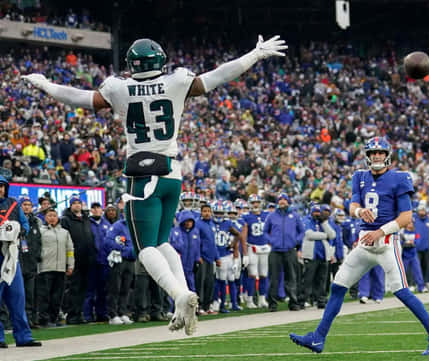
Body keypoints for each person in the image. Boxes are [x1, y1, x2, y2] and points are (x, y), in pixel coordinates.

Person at [22, 34, 287, 335]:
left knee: (145, 247)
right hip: (172, 173)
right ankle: (183, 300)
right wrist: (255, 54)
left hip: (142, 175)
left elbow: (78, 97)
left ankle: (179, 295)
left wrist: (45, 84)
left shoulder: (119, 87)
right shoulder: (177, 81)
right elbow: (219, 75)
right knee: (162, 242)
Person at [290, 137, 429, 355]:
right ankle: (318, 338)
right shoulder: (360, 176)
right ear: (367, 156)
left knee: (401, 290)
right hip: (365, 243)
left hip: (386, 243)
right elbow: (353, 205)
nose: (376, 156)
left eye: (380, 152)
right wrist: (359, 211)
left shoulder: (399, 178)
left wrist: (380, 231)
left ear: (387, 155)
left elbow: (406, 217)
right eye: (373, 152)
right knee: (338, 286)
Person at [0, 177, 40, 347]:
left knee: (18, 297)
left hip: (11, 255)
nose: (0, 189)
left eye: (2, 186)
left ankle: (23, 336)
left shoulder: (14, 204)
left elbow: (24, 223)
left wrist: (21, 230)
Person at [264, 194, 305, 311]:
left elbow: (302, 231)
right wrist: (271, 241)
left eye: (284, 200)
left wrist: (295, 241)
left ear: (288, 202)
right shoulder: (271, 216)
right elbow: (265, 231)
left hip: (289, 250)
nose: (282, 201)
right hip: (275, 251)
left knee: (291, 277)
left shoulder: (295, 216)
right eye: (280, 200)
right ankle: (272, 303)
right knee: (273, 278)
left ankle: (293, 302)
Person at [60, 197, 94, 325]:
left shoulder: (86, 219)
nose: (77, 205)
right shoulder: (66, 220)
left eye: (78, 203)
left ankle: (79, 313)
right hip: (74, 258)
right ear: (70, 206)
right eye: (74, 203)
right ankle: (71, 314)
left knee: (83, 288)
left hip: (87, 258)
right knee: (74, 288)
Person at [37, 208, 72, 330]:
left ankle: (53, 318)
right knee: (45, 296)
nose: (52, 218)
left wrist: (70, 265)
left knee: (57, 296)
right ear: (45, 218)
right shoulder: (41, 231)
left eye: (54, 215)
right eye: (49, 215)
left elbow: (70, 250)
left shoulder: (64, 232)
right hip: (45, 268)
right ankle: (43, 319)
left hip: (60, 269)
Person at [300, 204, 336, 309]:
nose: (317, 214)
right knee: (307, 279)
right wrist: (324, 236)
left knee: (322, 280)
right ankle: (303, 300)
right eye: (315, 212)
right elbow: (309, 235)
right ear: (311, 212)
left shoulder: (323, 223)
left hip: (323, 255)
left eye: (319, 212)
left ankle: (321, 300)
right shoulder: (307, 221)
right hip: (311, 255)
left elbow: (332, 235)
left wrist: (324, 223)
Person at [105, 209, 135, 325]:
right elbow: (108, 241)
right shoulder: (118, 226)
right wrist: (125, 250)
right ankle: (113, 315)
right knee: (115, 288)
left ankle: (123, 312)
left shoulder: (135, 226)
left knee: (126, 288)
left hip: (131, 260)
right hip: (120, 259)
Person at [242, 193, 270, 309]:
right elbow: (244, 235)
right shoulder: (246, 217)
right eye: (253, 203)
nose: (255, 205)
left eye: (257, 202)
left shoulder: (267, 215)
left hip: (265, 247)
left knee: (264, 274)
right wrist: (245, 253)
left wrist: (270, 243)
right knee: (252, 274)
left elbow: (271, 230)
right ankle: (250, 299)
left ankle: (262, 299)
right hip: (252, 247)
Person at [19, 197, 42, 329]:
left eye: (29, 205)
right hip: (18, 263)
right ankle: (16, 321)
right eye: (24, 204)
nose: (27, 207)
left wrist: (36, 257)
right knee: (18, 295)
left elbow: (38, 242)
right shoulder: (15, 221)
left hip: (31, 265)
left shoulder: (35, 222)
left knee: (30, 294)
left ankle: (30, 319)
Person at [413, 205, 429, 292]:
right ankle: (418, 283)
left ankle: (427, 282)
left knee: (427, 266)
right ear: (418, 211)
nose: (422, 212)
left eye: (423, 210)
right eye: (420, 210)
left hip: (428, 248)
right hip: (417, 248)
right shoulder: (414, 221)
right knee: (417, 267)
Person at [401, 221, 426, 292]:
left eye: (411, 223)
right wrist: (408, 243)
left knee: (417, 271)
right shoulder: (402, 233)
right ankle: (404, 287)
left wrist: (412, 243)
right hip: (405, 255)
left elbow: (418, 242)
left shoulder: (416, 232)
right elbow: (401, 243)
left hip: (413, 255)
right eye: (409, 223)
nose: (410, 224)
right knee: (403, 272)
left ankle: (421, 287)